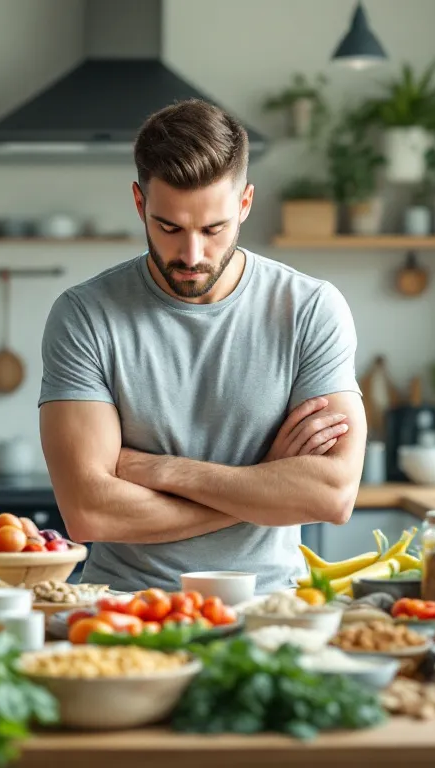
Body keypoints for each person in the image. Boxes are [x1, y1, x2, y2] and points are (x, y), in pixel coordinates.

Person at [37, 98, 366, 594]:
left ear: (245, 204)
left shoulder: (311, 309)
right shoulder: (85, 315)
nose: (191, 255)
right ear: (139, 203)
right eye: (169, 228)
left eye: (213, 230)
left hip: (272, 609)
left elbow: (332, 495)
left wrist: (159, 470)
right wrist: (264, 483)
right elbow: (89, 511)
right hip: (128, 608)